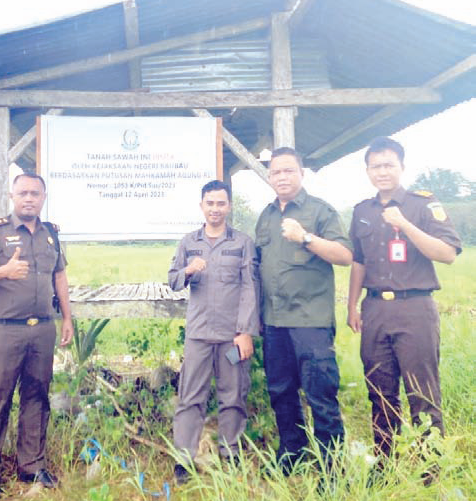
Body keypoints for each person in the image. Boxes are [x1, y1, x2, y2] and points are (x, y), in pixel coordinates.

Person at [347, 136, 462, 469]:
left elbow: (448, 254)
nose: (382, 172)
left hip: (415, 309)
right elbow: (359, 261)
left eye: (388, 165)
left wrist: (405, 224)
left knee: (422, 393)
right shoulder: (362, 211)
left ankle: (430, 470)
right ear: (367, 171)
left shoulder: (422, 205)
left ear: (401, 167)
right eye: (375, 166)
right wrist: (352, 305)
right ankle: (385, 467)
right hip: (375, 310)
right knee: (380, 392)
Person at [0, 172, 74, 501]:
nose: (29, 198)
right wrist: (3, 272)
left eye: (35, 194)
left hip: (41, 328)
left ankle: (31, 465)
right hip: (3, 329)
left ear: (44, 197)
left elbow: (60, 275)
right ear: (12, 196)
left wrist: (67, 318)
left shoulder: (51, 234)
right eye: (23, 193)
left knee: (36, 396)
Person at [255, 147, 352, 474]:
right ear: (269, 177)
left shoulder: (320, 212)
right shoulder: (266, 215)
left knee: (320, 396)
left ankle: (333, 470)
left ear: (301, 173)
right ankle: (292, 454)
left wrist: (305, 237)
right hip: (275, 322)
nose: (282, 177)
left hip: (311, 323)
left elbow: (343, 255)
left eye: (288, 171)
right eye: (276, 172)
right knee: (281, 392)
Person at [168, 180, 260, 483]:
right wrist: (189, 270)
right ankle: (184, 460)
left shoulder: (242, 243)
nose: (215, 209)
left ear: (229, 206)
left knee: (232, 394)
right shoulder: (188, 242)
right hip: (198, 336)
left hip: (232, 338)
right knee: (191, 396)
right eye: (210, 203)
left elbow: (249, 287)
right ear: (202, 206)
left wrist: (246, 331)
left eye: (221, 203)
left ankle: (230, 454)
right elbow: (173, 281)